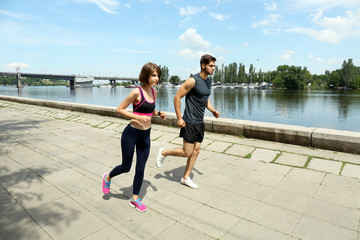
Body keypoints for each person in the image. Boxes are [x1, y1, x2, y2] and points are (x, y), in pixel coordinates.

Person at [102, 62, 166, 212]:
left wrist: (159, 113)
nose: (157, 78)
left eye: (158, 75)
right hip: (131, 134)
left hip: (146, 135)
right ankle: (107, 178)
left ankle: (135, 199)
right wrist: (136, 118)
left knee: (141, 169)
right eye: (154, 75)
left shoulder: (154, 92)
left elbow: (149, 111)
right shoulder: (136, 92)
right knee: (126, 166)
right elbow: (120, 109)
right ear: (146, 76)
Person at [156, 54, 220, 189]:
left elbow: (205, 98)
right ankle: (164, 153)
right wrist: (179, 117)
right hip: (189, 121)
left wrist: (213, 110)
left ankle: (185, 178)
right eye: (211, 66)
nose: (213, 68)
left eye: (214, 66)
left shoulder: (208, 82)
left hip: (199, 122)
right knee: (187, 152)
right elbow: (177, 97)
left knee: (196, 151)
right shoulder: (192, 80)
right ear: (203, 65)